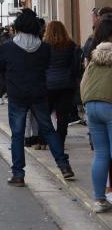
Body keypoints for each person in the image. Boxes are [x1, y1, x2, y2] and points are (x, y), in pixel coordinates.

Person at [0, 9, 74, 186]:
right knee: (48, 129)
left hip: (17, 95)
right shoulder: (44, 48)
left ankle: (18, 175)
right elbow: (46, 66)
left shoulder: (8, 47)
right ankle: (64, 165)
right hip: (39, 93)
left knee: (17, 134)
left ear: (18, 26)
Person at [80, 18, 112, 213]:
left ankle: (99, 200)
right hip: (110, 104)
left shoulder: (93, 57)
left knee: (101, 154)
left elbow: (83, 83)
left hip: (91, 105)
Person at [42, 21, 80, 149]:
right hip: (66, 85)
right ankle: (60, 142)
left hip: (48, 84)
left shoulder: (44, 46)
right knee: (63, 116)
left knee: (45, 114)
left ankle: (44, 140)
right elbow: (75, 66)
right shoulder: (71, 45)